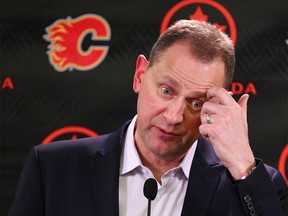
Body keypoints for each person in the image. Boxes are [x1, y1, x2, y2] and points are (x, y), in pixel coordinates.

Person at [9, 20, 287, 216]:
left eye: (196, 102)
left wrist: (242, 165)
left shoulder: (254, 185)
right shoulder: (52, 169)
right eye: (166, 90)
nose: (174, 115)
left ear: (219, 104)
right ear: (140, 75)